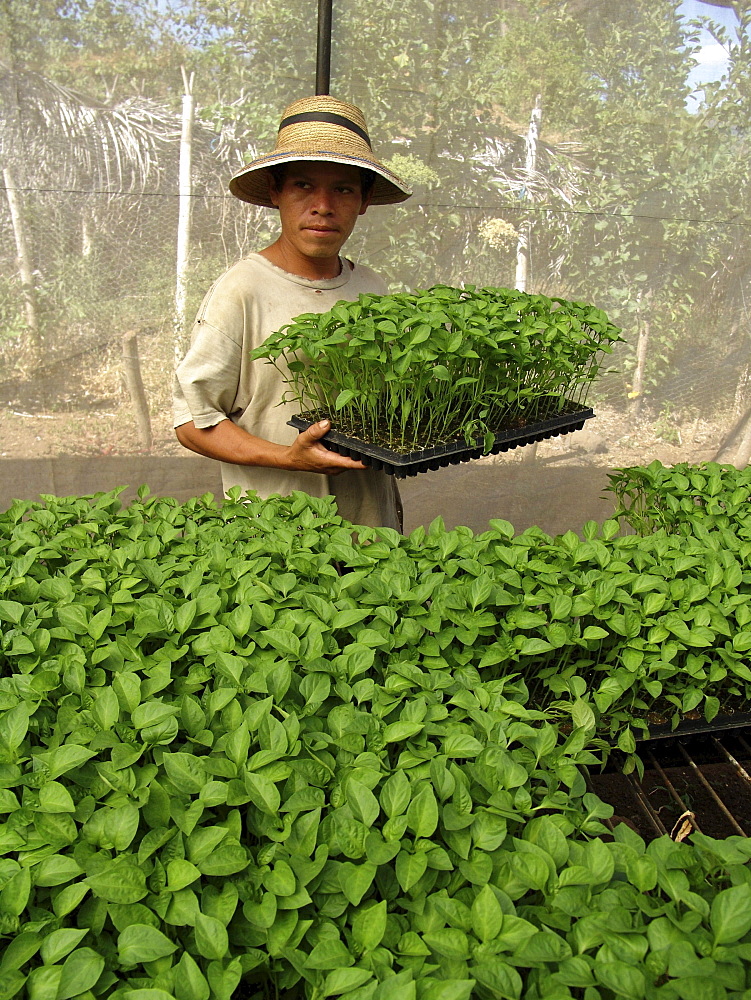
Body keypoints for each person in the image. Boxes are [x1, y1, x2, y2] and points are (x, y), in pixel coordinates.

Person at [173, 95, 411, 529]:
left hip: (370, 530)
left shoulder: (371, 287)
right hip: (278, 540)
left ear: (363, 200)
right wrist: (289, 457)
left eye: (343, 188)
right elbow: (192, 422)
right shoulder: (241, 290)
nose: (323, 205)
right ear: (275, 192)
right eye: (303, 185)